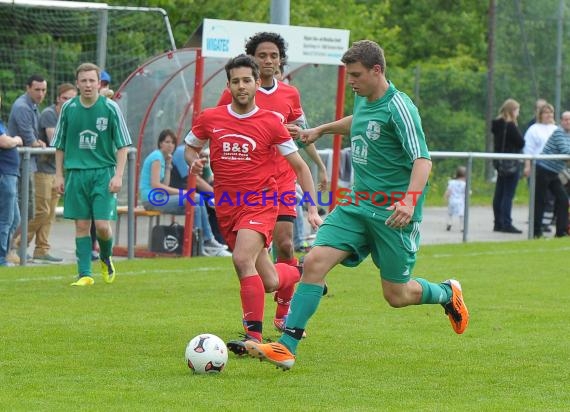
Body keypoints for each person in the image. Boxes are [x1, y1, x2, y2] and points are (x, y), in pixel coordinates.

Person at [243, 40, 469, 371]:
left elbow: (423, 159)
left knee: (397, 295)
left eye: (357, 75)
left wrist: (409, 200)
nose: (351, 81)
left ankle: (447, 293)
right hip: (357, 203)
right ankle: (286, 346)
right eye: (349, 75)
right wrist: (320, 130)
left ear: (377, 71)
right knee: (316, 261)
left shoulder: (400, 108)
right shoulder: (363, 96)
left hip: (393, 214)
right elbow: (359, 120)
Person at [185, 54, 322, 355]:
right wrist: (194, 163)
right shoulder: (211, 118)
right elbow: (190, 148)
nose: (242, 86)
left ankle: (254, 338)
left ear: (258, 83)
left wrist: (312, 208)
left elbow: (300, 167)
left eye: (247, 80)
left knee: (241, 260)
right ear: (229, 85)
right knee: (270, 281)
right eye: (236, 81)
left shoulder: (272, 122)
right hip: (227, 206)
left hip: (260, 203)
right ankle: (306, 270)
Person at [217, 32, 328, 330]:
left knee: (286, 244)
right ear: (251, 59)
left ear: (281, 60)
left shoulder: (290, 94)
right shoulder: (235, 91)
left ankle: (282, 313)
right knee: (256, 259)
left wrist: (320, 168)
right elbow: (220, 127)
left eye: (274, 56)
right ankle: (293, 278)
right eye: (262, 55)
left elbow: (303, 136)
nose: (268, 60)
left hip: (281, 178)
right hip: (248, 187)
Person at [52, 62, 132, 286]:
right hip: (76, 174)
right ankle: (84, 274)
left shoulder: (110, 108)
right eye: (84, 81)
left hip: (103, 173)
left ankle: (106, 257)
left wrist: (118, 175)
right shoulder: (69, 108)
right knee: (81, 225)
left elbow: (123, 145)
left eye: (92, 81)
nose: (88, 85)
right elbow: (59, 145)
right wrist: (59, 175)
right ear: (77, 84)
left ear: (99, 83)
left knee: (103, 226)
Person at [138, 129, 229, 256]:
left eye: (172, 143)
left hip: (160, 198)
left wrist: (169, 166)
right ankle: (208, 240)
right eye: (167, 142)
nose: (170, 145)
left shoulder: (164, 159)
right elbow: (156, 185)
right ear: (160, 144)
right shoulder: (157, 157)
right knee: (196, 197)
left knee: (196, 207)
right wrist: (183, 193)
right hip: (151, 199)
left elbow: (164, 185)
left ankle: (199, 246)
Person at [15, 83, 77, 262]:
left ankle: (42, 249)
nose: (68, 103)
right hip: (42, 169)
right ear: (58, 99)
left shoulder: (72, 115)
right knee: (42, 211)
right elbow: (54, 140)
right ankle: (18, 244)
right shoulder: (50, 114)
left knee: (49, 214)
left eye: (72, 99)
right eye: (65, 99)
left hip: (56, 170)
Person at [7, 74, 47, 263]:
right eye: (37, 89)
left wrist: (37, 142)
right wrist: (37, 143)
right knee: (20, 211)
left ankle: (12, 247)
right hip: (18, 164)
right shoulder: (22, 107)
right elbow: (29, 139)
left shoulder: (32, 106)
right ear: (27, 88)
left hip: (26, 164)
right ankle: (9, 248)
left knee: (26, 211)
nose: (41, 94)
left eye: (43, 90)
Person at [171, 144, 226, 247]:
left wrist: (206, 163)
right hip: (180, 192)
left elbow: (208, 179)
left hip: (192, 191)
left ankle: (217, 240)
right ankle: (208, 241)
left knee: (216, 198)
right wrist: (216, 193)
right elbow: (194, 180)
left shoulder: (198, 154)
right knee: (210, 200)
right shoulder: (181, 152)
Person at [533, 111, 570, 238]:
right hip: (543, 169)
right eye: (565, 119)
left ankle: (561, 232)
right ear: (561, 121)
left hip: (554, 172)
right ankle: (536, 231)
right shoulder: (559, 132)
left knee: (563, 199)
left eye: (569, 119)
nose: (567, 122)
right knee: (540, 200)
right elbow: (566, 151)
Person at [491, 99, 525, 234]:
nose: (518, 113)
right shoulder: (510, 125)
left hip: (499, 163)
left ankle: (498, 222)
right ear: (512, 111)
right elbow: (521, 142)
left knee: (499, 193)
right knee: (508, 194)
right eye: (517, 110)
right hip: (510, 163)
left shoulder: (496, 124)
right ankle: (506, 223)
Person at [523, 102, 557, 232]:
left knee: (555, 197)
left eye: (550, 112)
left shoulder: (555, 129)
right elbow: (529, 148)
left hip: (554, 167)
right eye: (546, 112)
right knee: (542, 196)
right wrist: (527, 165)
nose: (549, 115)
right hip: (540, 166)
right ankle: (537, 224)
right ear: (540, 115)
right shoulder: (534, 129)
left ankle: (546, 222)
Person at [0, 95, 23, 267]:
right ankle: (1, 259)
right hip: (4, 175)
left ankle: (5, 254)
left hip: (10, 174)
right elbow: (4, 142)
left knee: (15, 219)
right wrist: (16, 140)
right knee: (5, 220)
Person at [445, 166, 467, 232]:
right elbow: (466, 192)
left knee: (450, 213)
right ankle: (462, 227)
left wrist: (446, 197)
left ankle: (449, 223)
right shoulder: (464, 184)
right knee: (461, 215)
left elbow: (448, 191)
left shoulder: (452, 182)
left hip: (452, 200)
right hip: (460, 202)